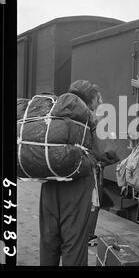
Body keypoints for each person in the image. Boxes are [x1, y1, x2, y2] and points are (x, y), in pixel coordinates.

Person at [39, 80, 107, 266]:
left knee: (49, 241)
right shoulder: (87, 121)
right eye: (98, 99)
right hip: (77, 187)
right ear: (91, 100)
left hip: (49, 183)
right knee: (74, 244)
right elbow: (104, 153)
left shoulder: (54, 115)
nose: (100, 102)